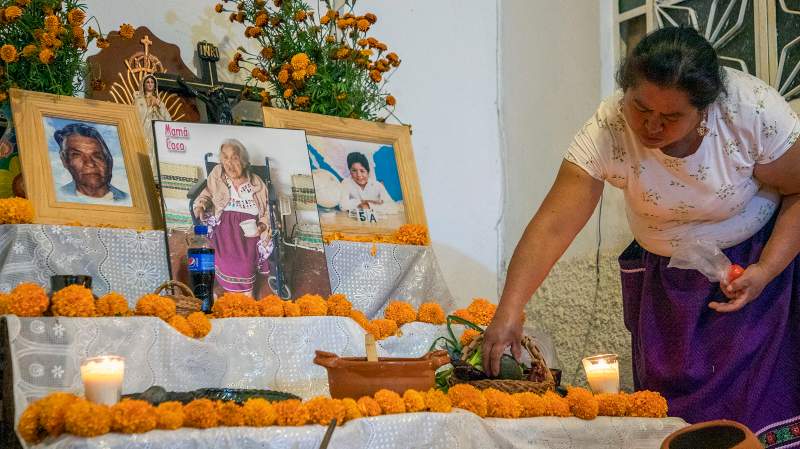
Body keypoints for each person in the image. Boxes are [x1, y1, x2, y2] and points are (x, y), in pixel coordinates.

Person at [483, 27, 800, 433]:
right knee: (672, 413)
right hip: (670, 285)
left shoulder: (750, 112)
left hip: (755, 272)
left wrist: (768, 269)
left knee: (756, 410)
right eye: (641, 109)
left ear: (704, 109)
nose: (651, 126)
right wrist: (509, 311)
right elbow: (553, 225)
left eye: (670, 117)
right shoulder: (608, 128)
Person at [192, 139, 271, 297]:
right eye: (225, 158)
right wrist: (200, 205)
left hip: (249, 226)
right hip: (224, 221)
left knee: (245, 261)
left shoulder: (257, 183)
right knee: (222, 256)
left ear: (244, 161)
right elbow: (207, 192)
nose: (229, 163)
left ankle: (246, 293)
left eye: (234, 158)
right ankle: (229, 288)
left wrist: (261, 227)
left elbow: (268, 209)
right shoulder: (217, 174)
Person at [55, 123, 130, 204]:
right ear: (65, 161)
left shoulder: (127, 199)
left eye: (97, 156)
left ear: (107, 160)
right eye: (77, 155)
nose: (90, 163)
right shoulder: (58, 196)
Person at [134, 74, 171, 178]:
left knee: (155, 154)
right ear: (143, 85)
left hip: (155, 132)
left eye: (152, 82)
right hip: (142, 131)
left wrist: (159, 106)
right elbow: (137, 117)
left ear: (155, 85)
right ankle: (143, 175)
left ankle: (155, 177)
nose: (150, 84)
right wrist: (151, 107)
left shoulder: (159, 102)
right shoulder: (138, 100)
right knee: (145, 152)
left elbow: (168, 120)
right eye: (148, 82)